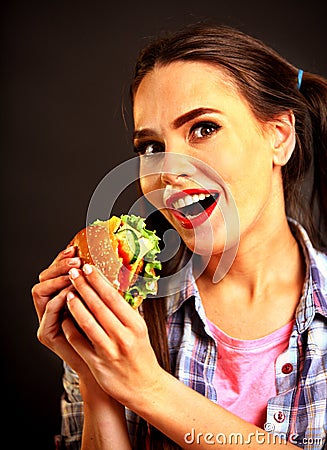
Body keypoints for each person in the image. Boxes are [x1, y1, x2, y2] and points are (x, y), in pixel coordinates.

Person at [32, 23, 327, 450]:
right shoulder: (120, 315)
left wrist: (146, 387)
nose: (169, 170)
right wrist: (97, 377)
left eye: (204, 128)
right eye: (151, 147)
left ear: (279, 137)